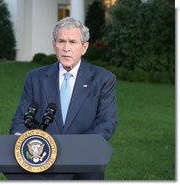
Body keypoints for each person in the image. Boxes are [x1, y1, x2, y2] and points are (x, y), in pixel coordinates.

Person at [10, 17, 119, 180]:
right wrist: (22, 140)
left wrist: (72, 149)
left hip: (85, 165)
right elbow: (20, 120)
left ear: (84, 47)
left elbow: (107, 123)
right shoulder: (35, 78)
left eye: (73, 42)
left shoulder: (103, 79)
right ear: (54, 45)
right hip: (42, 164)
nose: (66, 48)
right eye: (61, 41)